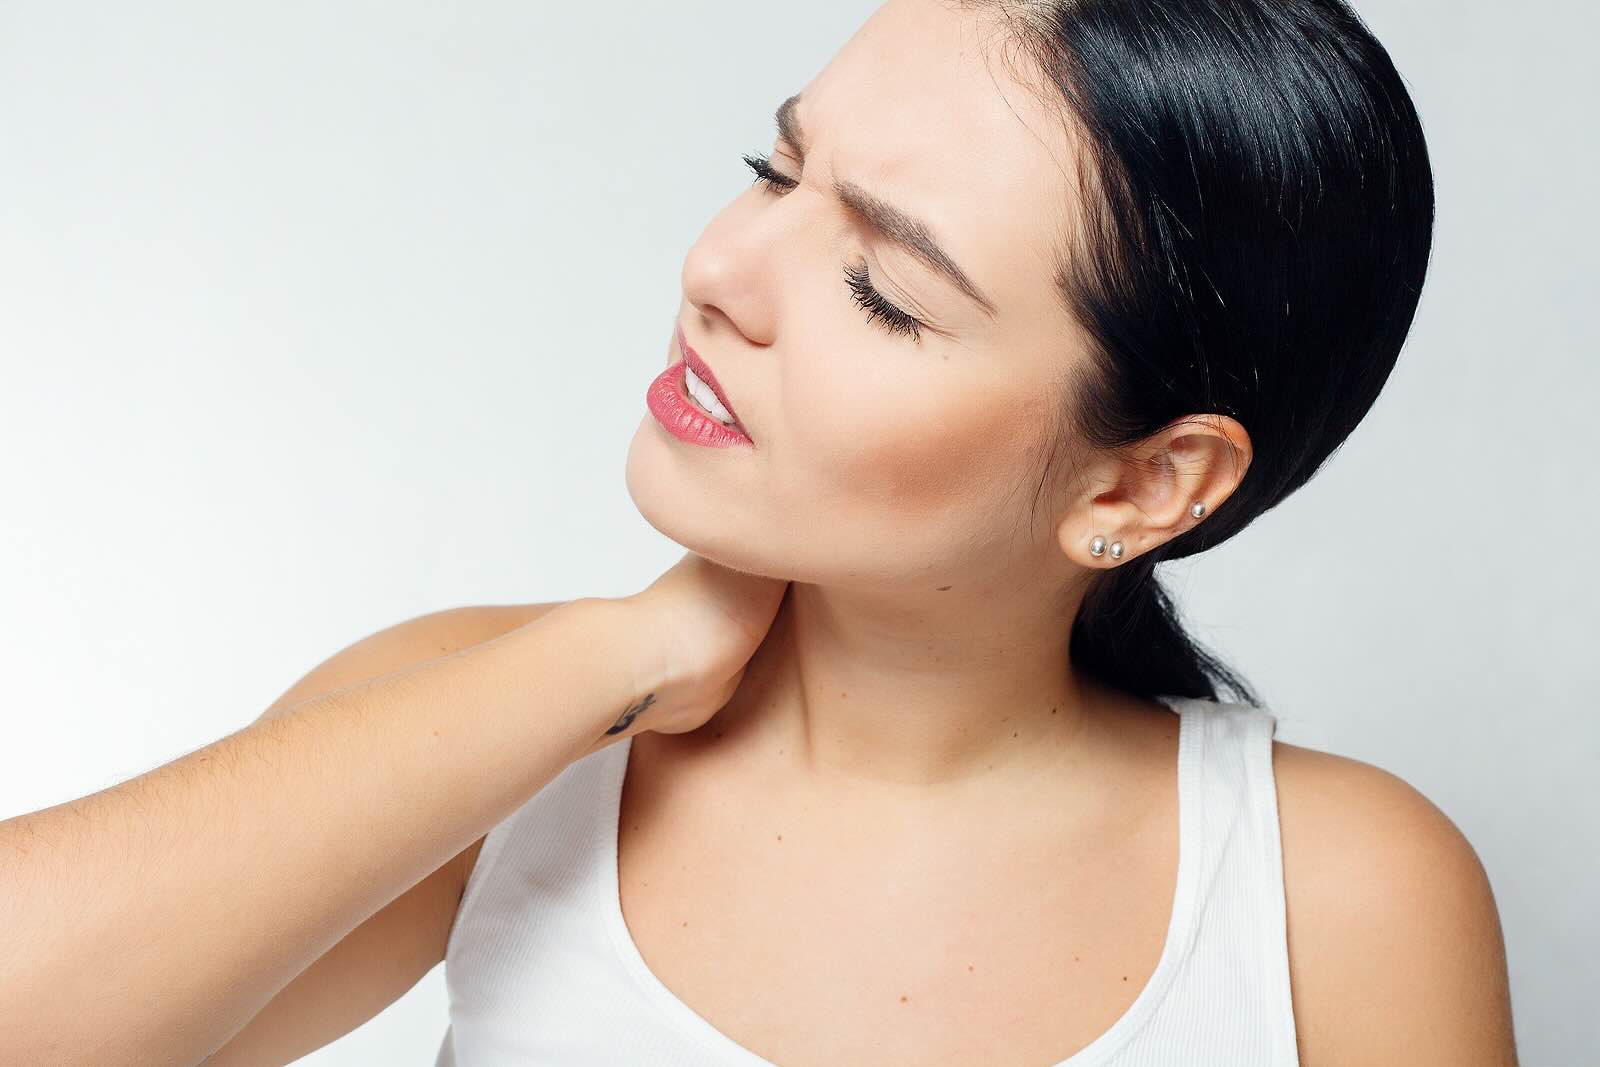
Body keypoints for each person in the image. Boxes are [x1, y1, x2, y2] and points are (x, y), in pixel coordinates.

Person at [0, 0, 1518, 1064]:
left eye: (884, 289)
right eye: (775, 172)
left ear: (1142, 485)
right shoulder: (498, 725)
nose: (719, 271)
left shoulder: (1330, 890)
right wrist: (622, 654)